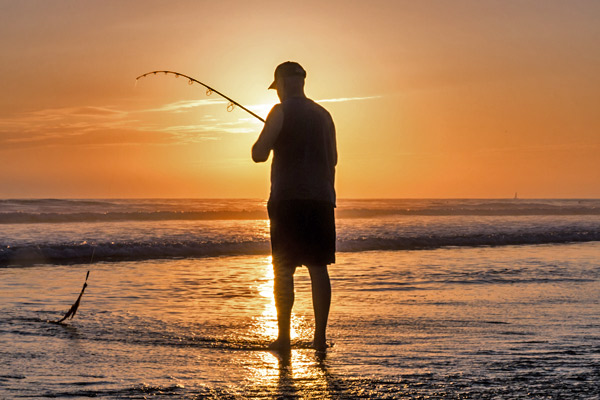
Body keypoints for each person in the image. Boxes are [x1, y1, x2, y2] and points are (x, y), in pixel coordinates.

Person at [252, 61, 337, 352]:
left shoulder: (280, 111)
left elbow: (258, 154)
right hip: (322, 199)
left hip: (288, 200)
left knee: (284, 268)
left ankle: (284, 338)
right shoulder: (325, 115)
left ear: (282, 84)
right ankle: (320, 339)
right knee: (318, 268)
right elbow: (334, 158)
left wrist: (270, 139)